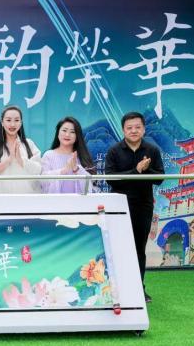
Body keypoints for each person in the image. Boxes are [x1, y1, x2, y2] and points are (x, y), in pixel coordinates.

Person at [105, 111, 165, 302]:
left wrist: (146, 171)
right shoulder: (114, 151)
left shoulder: (152, 150)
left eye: (137, 127)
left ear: (144, 129)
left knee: (139, 249)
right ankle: (116, 289)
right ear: (123, 130)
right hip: (118, 206)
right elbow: (110, 179)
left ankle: (138, 289)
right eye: (129, 127)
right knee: (118, 248)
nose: (133, 131)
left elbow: (160, 178)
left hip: (142, 206)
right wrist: (136, 170)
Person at [0, 105, 41, 194]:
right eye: (8, 120)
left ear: (21, 122)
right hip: (0, 196)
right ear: (2, 122)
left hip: (25, 196)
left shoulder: (29, 144)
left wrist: (20, 159)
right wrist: (9, 160)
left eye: (16, 120)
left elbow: (38, 170)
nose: (12, 124)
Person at [40, 117, 95, 194]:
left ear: (77, 136)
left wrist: (76, 169)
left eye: (72, 132)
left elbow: (90, 186)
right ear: (58, 133)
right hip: (55, 201)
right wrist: (63, 171)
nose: (67, 134)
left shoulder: (82, 156)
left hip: (78, 201)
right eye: (64, 130)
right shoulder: (48, 155)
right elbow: (42, 182)